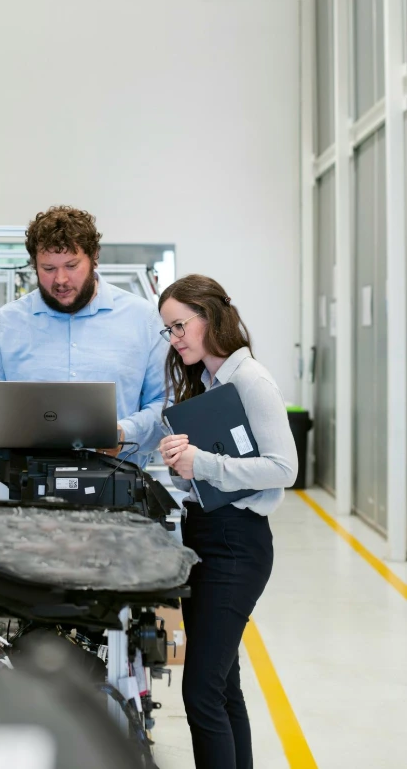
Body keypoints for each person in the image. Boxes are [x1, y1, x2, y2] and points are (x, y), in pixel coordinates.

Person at [158, 275, 297, 769]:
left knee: (200, 692)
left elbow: (285, 469)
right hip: (207, 537)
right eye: (168, 331)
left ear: (209, 316)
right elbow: (212, 474)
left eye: (179, 326)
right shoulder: (210, 386)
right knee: (223, 686)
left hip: (237, 547)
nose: (174, 338)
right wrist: (182, 468)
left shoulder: (250, 380)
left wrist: (205, 464)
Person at [0, 205, 166, 464]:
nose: (61, 279)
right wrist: (13, 429)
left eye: (71, 265)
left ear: (94, 256)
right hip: (24, 489)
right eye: (48, 268)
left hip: (116, 487)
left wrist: (124, 432)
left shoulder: (142, 319)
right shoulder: (6, 323)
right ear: (34, 264)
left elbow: (165, 403)